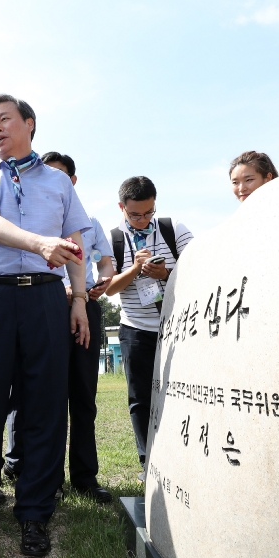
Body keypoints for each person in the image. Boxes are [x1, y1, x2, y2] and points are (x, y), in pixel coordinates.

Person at [0, 94, 91, 558]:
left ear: (29, 124)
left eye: (4, 119)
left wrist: (79, 301)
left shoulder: (59, 182)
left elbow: (73, 243)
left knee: (45, 402)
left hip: (47, 297)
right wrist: (39, 243)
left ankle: (34, 510)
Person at [3, 151, 116, 504]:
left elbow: (107, 265)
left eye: (59, 175)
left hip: (86, 308)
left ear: (72, 182)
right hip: (44, 309)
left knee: (83, 395)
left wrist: (93, 288)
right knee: (37, 395)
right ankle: (34, 469)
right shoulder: (24, 217)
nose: (51, 180)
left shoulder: (91, 223)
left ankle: (85, 476)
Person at [105, 177, 193, 482]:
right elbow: (108, 290)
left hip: (178, 327)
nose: (143, 220)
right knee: (140, 398)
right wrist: (133, 269)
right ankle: (148, 462)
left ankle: (183, 458)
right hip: (135, 330)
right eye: (135, 215)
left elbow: (198, 268)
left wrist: (166, 272)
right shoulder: (113, 239)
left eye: (149, 213)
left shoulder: (173, 229)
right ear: (122, 208)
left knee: (183, 393)